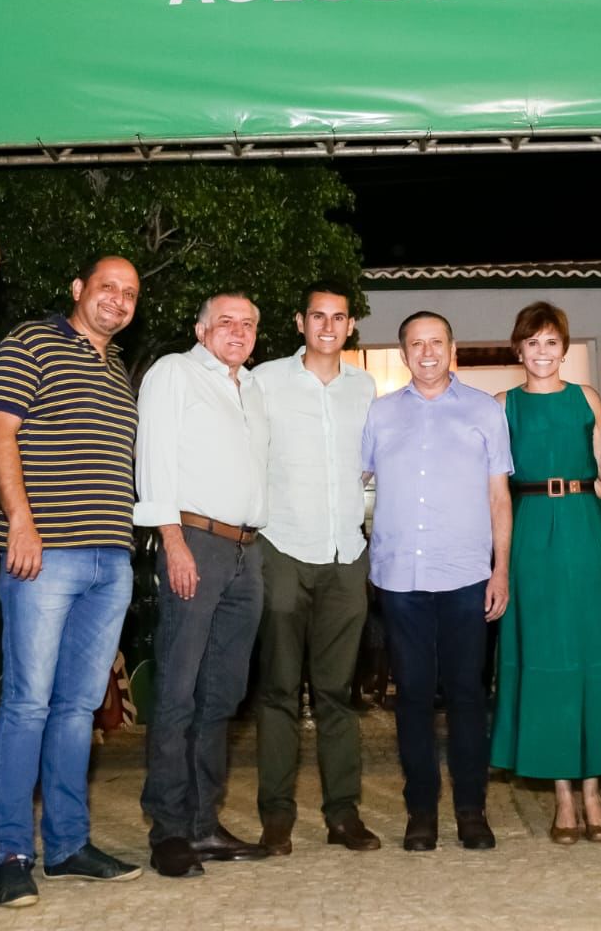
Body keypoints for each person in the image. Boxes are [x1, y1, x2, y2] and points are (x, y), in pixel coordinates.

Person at [0, 256, 144, 908]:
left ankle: (70, 845)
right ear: (77, 289)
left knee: (79, 709)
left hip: (111, 560)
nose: (118, 300)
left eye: (130, 293)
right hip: (45, 554)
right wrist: (20, 522)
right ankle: (12, 852)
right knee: (28, 703)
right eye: (107, 287)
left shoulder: (117, 368)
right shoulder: (30, 341)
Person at [489, 303, 601, 843]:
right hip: (531, 531)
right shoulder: (501, 405)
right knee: (546, 659)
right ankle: (561, 794)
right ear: (518, 349)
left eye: (551, 341)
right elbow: (491, 488)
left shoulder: (587, 399)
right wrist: (497, 563)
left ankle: (594, 792)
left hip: (586, 531)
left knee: (591, 657)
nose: (541, 351)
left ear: (564, 347)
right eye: (531, 342)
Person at [361, 311, 513, 852]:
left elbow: (500, 498)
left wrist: (501, 569)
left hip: (468, 575)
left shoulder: (484, 412)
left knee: (469, 696)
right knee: (413, 698)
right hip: (400, 578)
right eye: (415, 344)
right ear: (403, 354)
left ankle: (471, 809)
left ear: (454, 349)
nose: (426, 352)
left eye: (436, 342)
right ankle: (421, 810)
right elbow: (353, 484)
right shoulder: (379, 415)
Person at [134, 293, 270, 877]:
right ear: (201, 328)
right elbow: (154, 458)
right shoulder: (175, 373)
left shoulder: (253, 389)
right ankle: (167, 829)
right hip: (193, 541)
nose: (237, 332)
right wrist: (173, 540)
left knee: (222, 697)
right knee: (178, 690)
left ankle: (204, 823)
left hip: (245, 550)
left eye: (247, 325)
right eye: (225, 323)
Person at [251, 282, 379, 855]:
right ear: (299, 322)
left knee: (336, 693)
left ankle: (342, 814)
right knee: (278, 690)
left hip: (346, 556)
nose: (328, 325)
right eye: (318, 316)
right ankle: (276, 816)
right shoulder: (265, 381)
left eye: (339, 317)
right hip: (282, 548)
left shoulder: (367, 387)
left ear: (350, 326)